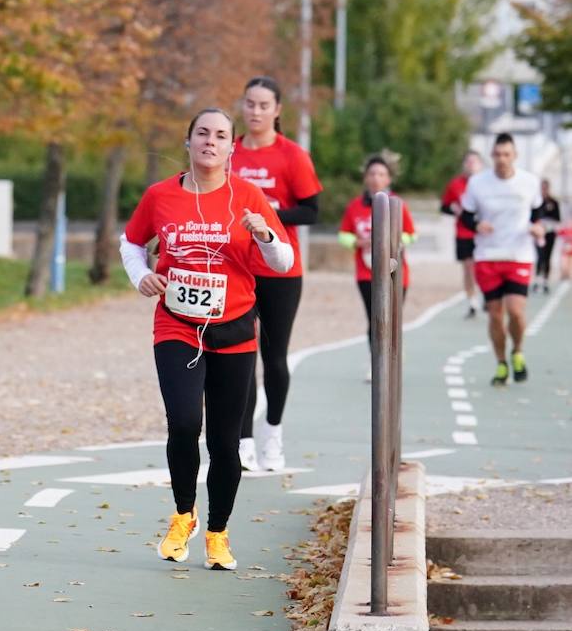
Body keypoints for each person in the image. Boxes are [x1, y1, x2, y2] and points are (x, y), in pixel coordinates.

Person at [121, 109, 292, 572]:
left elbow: (282, 260)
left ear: (232, 147)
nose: (210, 142)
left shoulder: (249, 197)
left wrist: (266, 234)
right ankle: (183, 515)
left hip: (234, 329)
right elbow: (132, 242)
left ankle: (218, 533)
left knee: (224, 442)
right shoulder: (161, 196)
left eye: (220, 136)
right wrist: (141, 276)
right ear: (188, 141)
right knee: (181, 422)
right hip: (176, 325)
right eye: (202, 134)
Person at [229, 76, 322, 473]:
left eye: (264, 105)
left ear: (277, 110)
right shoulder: (229, 153)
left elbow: (311, 211)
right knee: (241, 354)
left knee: (274, 355)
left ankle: (272, 434)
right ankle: (244, 439)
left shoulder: (292, 156)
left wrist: (265, 215)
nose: (255, 112)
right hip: (238, 267)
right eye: (250, 104)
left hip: (282, 268)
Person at [459, 133, 545, 386]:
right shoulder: (478, 183)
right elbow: (466, 217)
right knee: (495, 314)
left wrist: (536, 226)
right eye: (497, 154)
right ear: (492, 156)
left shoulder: (529, 182)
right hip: (488, 255)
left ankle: (517, 351)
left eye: (506, 154)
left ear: (514, 156)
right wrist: (477, 224)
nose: (501, 159)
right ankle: (501, 363)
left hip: (519, 254)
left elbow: (537, 211)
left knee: (516, 311)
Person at [338, 156, 416, 366]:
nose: (376, 178)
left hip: (395, 272)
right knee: (375, 319)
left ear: (389, 179)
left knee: (392, 318)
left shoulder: (398, 205)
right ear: (365, 178)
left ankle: (393, 358)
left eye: (381, 174)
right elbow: (343, 235)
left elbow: (411, 234)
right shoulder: (355, 206)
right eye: (372, 174)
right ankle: (377, 363)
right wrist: (358, 242)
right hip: (366, 273)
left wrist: (392, 241)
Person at [441, 151, 485, 318]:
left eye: (474, 161)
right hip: (463, 232)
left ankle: (487, 296)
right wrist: (453, 209)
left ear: (480, 165)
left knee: (482, 268)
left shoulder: (486, 184)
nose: (471, 164)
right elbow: (444, 206)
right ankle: (472, 301)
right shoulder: (455, 185)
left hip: (482, 233)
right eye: (468, 161)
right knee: (468, 268)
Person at [532, 179, 561, 294]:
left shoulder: (553, 202)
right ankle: (537, 279)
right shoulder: (537, 202)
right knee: (540, 256)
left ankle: (545, 280)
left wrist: (548, 225)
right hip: (539, 234)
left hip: (549, 234)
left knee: (547, 257)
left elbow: (558, 219)